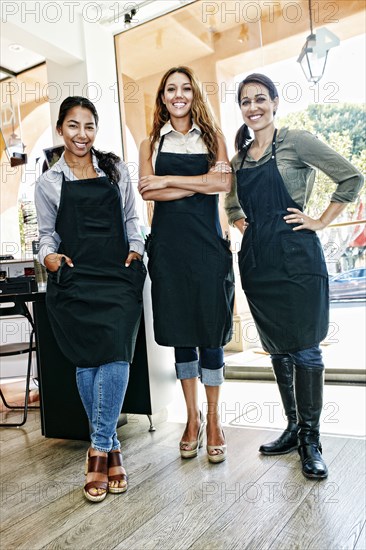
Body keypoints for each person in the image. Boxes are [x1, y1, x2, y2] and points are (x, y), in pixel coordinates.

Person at [225, 73, 363, 479]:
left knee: (305, 349)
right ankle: (292, 427)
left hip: (299, 258)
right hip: (258, 263)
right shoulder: (238, 159)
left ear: (275, 102)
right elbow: (232, 204)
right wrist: (241, 223)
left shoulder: (296, 141)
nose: (254, 107)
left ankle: (311, 440)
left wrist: (320, 220)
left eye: (260, 99)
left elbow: (352, 177)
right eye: (246, 101)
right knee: (279, 350)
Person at [35, 96, 146, 502]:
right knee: (87, 359)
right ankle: (111, 446)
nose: (82, 135)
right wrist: (48, 256)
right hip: (77, 274)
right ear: (61, 129)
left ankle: (97, 448)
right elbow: (47, 234)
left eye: (89, 126)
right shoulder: (49, 180)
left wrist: (136, 248)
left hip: (117, 272)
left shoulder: (115, 169)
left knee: (116, 351)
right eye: (73, 126)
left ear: (95, 131)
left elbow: (133, 217)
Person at [138, 66, 234, 463]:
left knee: (211, 334)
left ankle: (213, 418)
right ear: (163, 97)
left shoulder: (214, 139)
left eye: (186, 89)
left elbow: (223, 185)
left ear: (195, 95)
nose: (179, 95)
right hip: (170, 250)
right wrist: (196, 182)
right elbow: (147, 190)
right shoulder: (148, 144)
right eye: (171, 89)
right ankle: (191, 418)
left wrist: (168, 181)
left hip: (208, 248)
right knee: (182, 334)